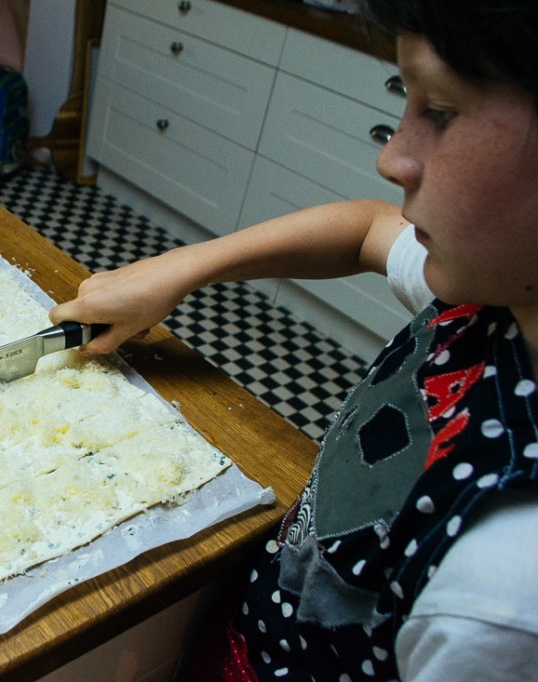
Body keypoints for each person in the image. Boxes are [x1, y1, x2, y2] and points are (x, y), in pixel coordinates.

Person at [49, 1, 538, 679]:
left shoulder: (501, 597)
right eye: (405, 98)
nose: (391, 157)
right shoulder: (498, 295)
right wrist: (177, 271)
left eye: (443, 111)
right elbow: (367, 229)